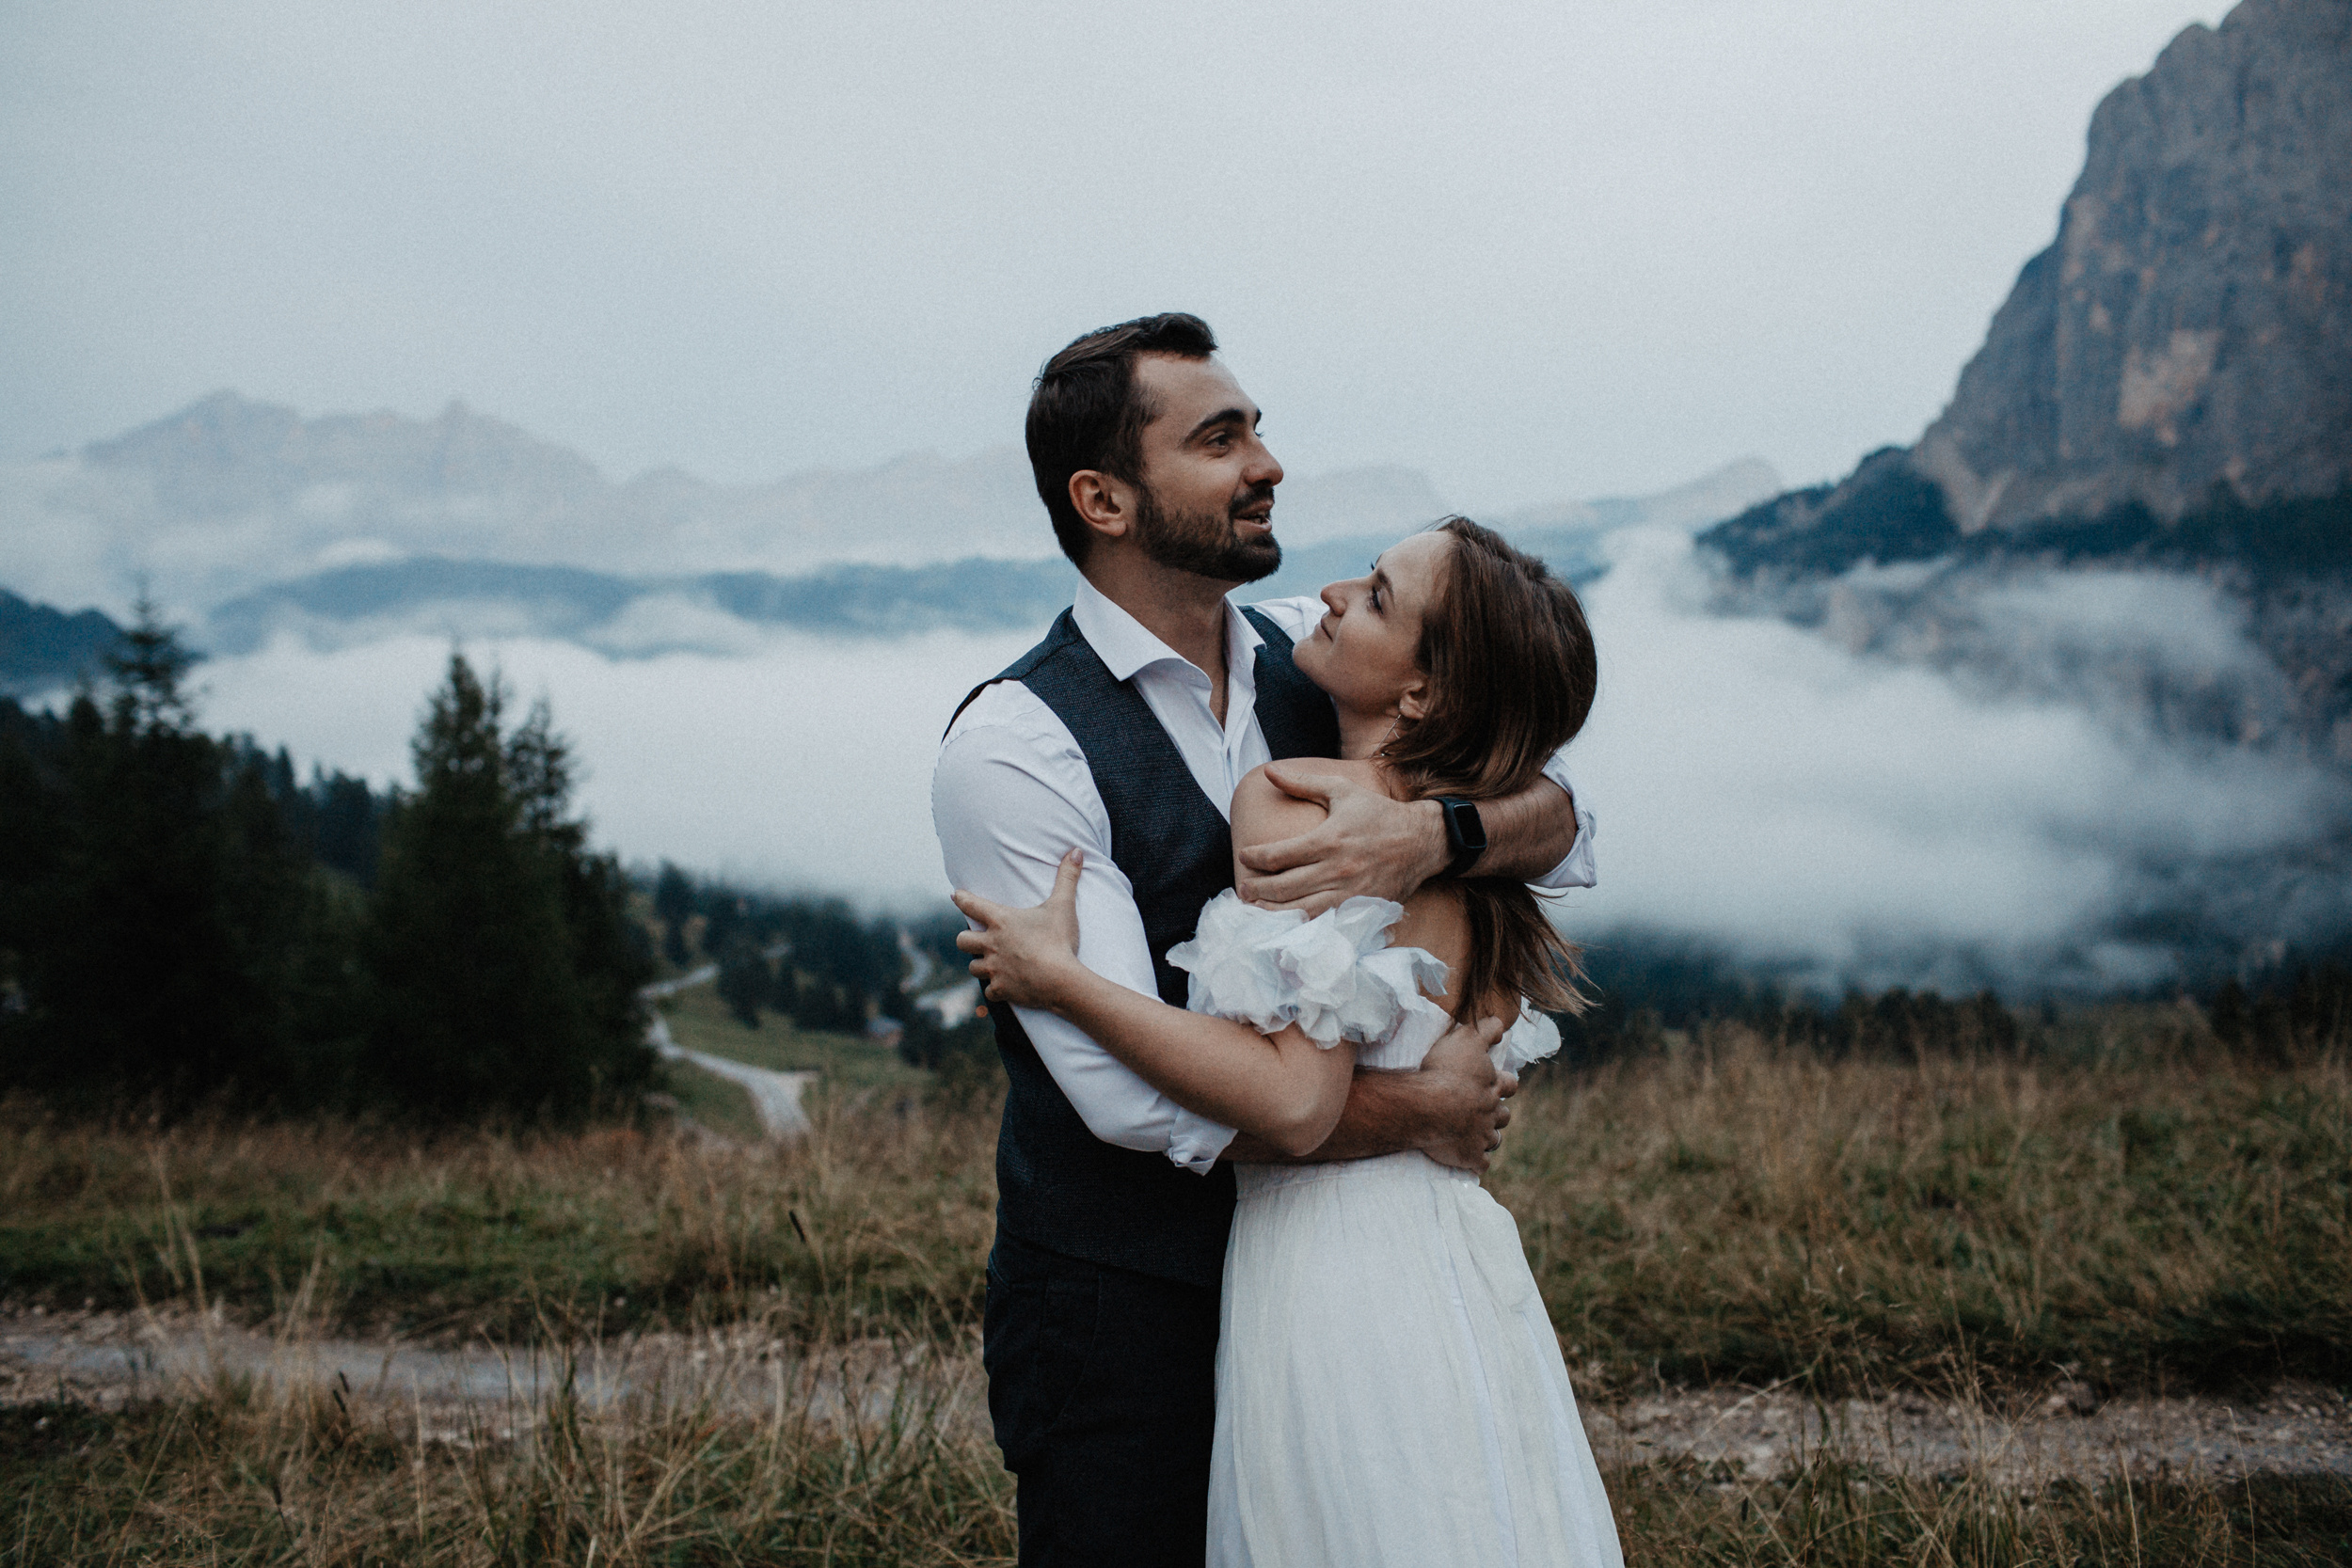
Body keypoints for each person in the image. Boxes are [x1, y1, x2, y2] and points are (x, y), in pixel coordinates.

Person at [930, 312, 1597, 1567]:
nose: (1268, 463)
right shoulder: (1017, 747)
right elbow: (1126, 1103)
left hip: (1332, 1292)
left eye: (1257, 428)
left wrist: (1431, 837)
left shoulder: (1319, 654)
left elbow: (1563, 814)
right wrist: (1415, 1111)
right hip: (1120, 1319)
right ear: (1104, 499)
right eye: (1219, 439)